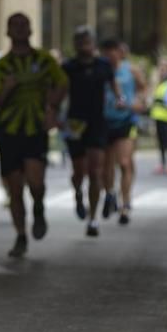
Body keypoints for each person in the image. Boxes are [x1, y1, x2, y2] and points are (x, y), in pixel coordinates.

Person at [0, 12, 68, 258]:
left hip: (35, 130)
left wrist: (52, 107)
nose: (20, 29)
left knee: (35, 182)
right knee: (15, 189)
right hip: (9, 132)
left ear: (31, 30)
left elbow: (62, 84)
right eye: (15, 26)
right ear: (8, 32)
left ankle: (39, 207)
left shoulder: (44, 60)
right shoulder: (1, 66)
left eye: (24, 25)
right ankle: (21, 235)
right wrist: (7, 89)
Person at [61, 27, 122, 238]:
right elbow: (59, 92)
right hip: (74, 122)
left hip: (97, 122)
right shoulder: (68, 66)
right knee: (79, 171)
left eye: (87, 41)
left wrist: (119, 98)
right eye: (79, 42)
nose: (83, 45)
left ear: (93, 44)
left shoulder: (103, 65)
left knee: (96, 170)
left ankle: (93, 218)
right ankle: (78, 193)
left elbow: (114, 85)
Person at [100, 39, 148, 225]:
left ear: (120, 52)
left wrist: (140, 101)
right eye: (107, 52)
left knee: (125, 162)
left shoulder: (131, 70)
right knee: (106, 166)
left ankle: (125, 203)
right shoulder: (101, 70)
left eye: (114, 51)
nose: (111, 55)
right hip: (104, 122)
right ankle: (110, 193)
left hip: (125, 121)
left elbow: (143, 89)